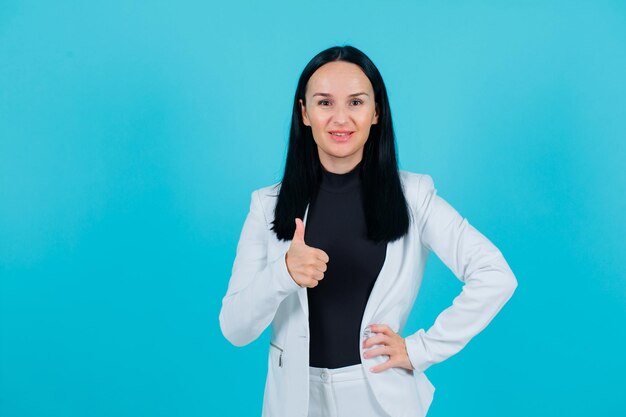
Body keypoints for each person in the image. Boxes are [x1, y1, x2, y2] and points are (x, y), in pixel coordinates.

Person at [219, 45, 518, 417]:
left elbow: (495, 274)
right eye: (325, 103)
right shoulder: (267, 205)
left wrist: (420, 349)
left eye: (356, 103)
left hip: (377, 399)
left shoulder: (414, 196)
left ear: (376, 112)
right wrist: (283, 273)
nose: (340, 118)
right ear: (304, 113)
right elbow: (234, 328)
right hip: (294, 401)